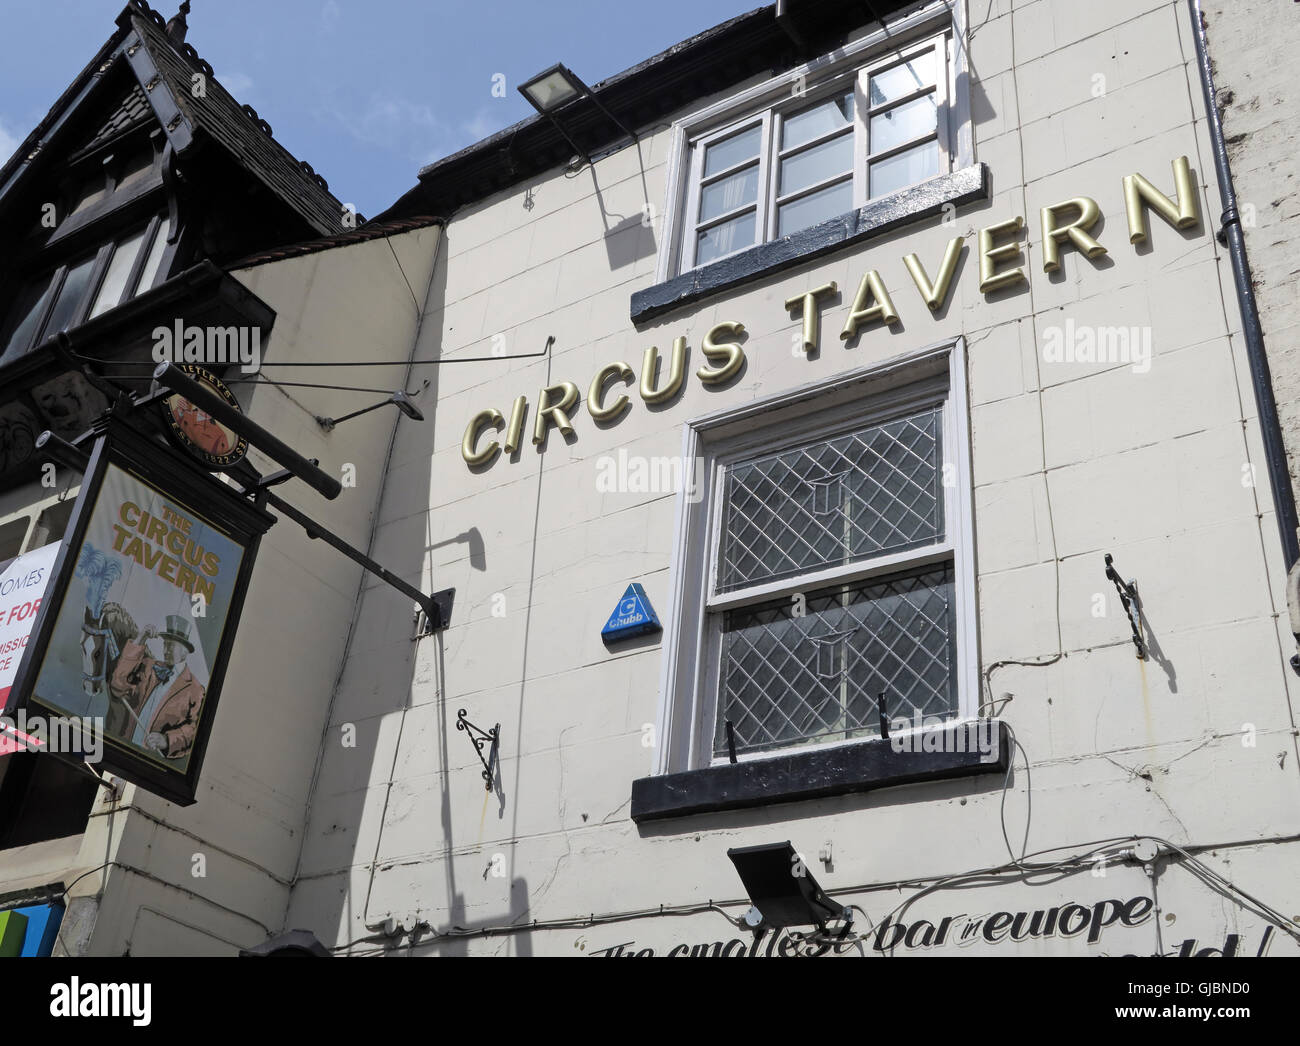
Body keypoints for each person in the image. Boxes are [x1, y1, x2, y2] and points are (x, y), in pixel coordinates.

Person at [109, 614, 205, 761]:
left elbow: (194, 731)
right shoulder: (148, 666)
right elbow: (117, 685)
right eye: (165, 644)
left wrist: (166, 740)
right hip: (124, 749)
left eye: (172, 646)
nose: (166, 649)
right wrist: (141, 639)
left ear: (185, 651)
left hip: (151, 761)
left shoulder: (195, 689)